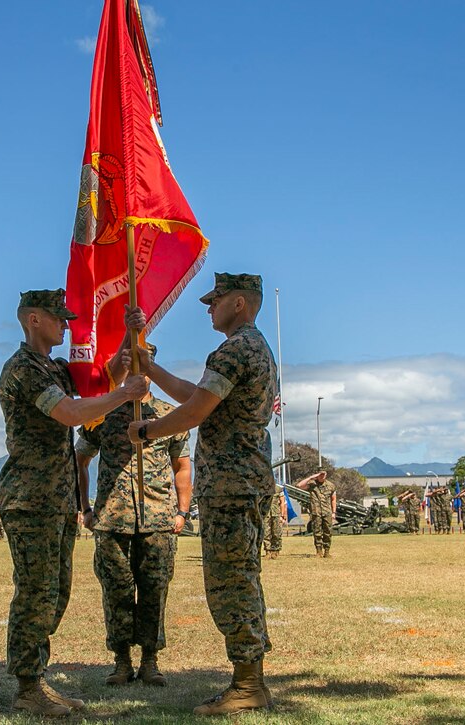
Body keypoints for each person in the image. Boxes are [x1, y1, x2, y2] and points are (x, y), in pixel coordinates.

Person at [125, 272, 277, 716]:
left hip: (231, 485)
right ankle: (251, 681)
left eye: (216, 300)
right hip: (242, 481)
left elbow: (195, 411)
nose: (209, 307)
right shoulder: (254, 347)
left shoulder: (235, 349)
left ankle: (248, 685)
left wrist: (148, 430)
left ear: (240, 304)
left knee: (231, 583)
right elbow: (199, 396)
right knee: (241, 578)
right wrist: (151, 368)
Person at [0, 288, 148, 717]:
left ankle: (36, 680)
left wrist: (129, 338)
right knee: (36, 593)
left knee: (55, 592)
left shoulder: (54, 367)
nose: (66, 324)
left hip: (55, 498)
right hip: (31, 499)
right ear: (33, 320)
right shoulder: (24, 369)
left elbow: (103, 381)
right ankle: (27, 688)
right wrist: (122, 396)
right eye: (58, 317)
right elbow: (70, 412)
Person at [76, 343, 192, 687]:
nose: (136, 370)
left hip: (158, 519)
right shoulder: (101, 414)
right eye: (129, 363)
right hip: (112, 520)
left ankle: (150, 660)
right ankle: (122, 661)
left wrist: (182, 512)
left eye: (143, 363)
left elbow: (182, 466)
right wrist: (85, 507)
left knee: (155, 590)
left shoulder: (170, 415)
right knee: (117, 591)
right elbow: (79, 460)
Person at [296, 471, 336, 556]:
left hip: (327, 512)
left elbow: (333, 499)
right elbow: (299, 485)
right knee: (317, 532)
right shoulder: (312, 484)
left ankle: (327, 551)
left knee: (328, 532)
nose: (322, 476)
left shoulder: (331, 486)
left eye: (324, 474)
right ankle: (319, 551)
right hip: (316, 512)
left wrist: (333, 512)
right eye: (320, 474)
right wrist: (311, 477)